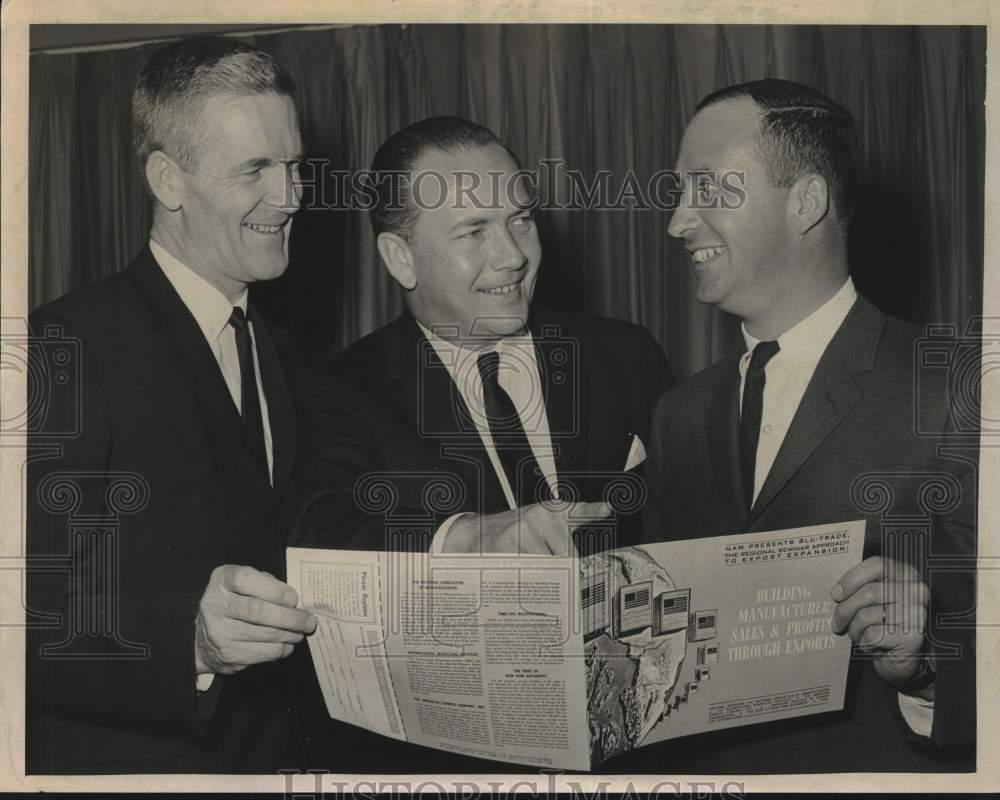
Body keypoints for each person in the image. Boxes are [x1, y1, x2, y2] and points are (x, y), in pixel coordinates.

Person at [282, 115, 673, 772]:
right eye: (474, 232)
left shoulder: (625, 355)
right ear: (400, 258)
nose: (513, 255)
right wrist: (468, 539)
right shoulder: (339, 391)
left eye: (521, 220)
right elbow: (320, 537)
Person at [635, 78, 976, 773]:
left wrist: (924, 667)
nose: (677, 222)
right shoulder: (678, 415)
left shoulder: (954, 387)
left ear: (807, 202)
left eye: (707, 188)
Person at [26, 36, 316, 774]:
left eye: (294, 165)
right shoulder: (63, 348)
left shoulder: (281, 349)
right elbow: (23, 615)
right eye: (255, 169)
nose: (290, 196)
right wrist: (189, 640)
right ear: (168, 180)